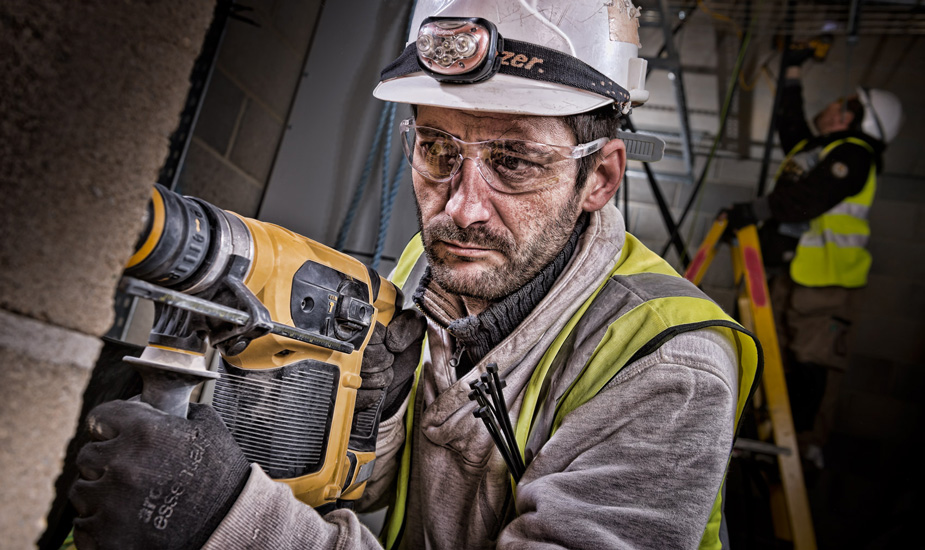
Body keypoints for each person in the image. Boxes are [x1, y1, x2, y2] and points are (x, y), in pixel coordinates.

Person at [69, 2, 761, 549]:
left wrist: (229, 518)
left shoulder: (669, 367)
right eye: (436, 150)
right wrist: (357, 423)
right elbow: (384, 487)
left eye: (514, 162)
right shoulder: (440, 262)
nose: (460, 207)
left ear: (600, 178)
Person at [720, 48, 903, 458]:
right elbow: (791, 125)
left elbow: (810, 197)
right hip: (798, 275)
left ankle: (803, 448)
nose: (833, 107)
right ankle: (771, 441)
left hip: (827, 283)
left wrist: (754, 210)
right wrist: (793, 70)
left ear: (853, 118)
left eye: (843, 104)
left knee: (811, 365)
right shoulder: (821, 150)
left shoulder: (854, 155)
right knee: (781, 359)